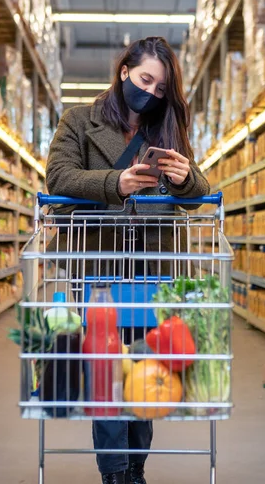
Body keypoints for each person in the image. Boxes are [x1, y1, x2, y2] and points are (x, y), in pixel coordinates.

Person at [46, 36, 210, 484]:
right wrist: (115, 182)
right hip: (98, 266)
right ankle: (115, 472)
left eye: (161, 88)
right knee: (107, 372)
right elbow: (59, 176)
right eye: (145, 80)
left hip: (152, 268)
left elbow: (198, 192)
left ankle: (136, 466)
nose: (152, 93)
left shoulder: (166, 128)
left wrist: (183, 177)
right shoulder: (79, 120)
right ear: (123, 72)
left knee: (144, 369)